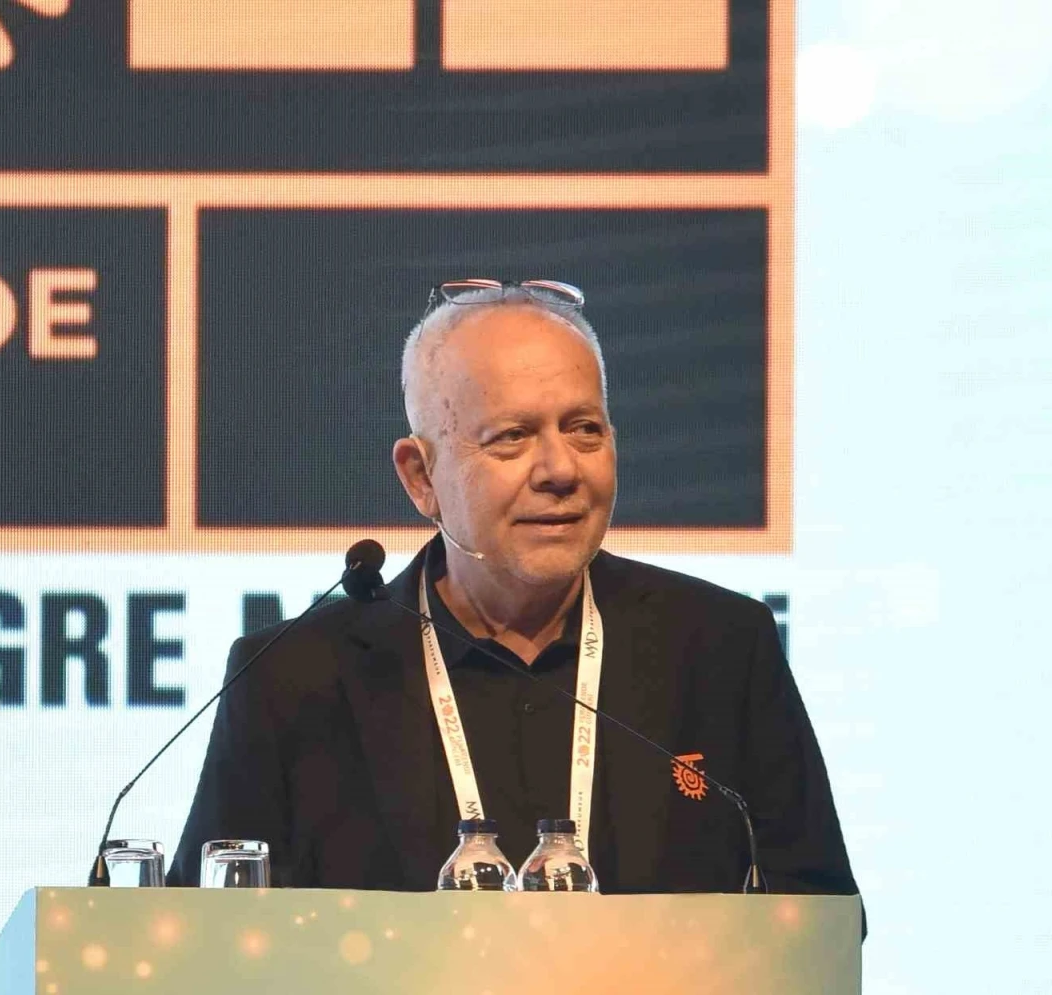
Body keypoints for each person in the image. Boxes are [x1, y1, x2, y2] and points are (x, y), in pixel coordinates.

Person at [168, 280, 860, 906]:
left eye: (584, 429)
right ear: (421, 478)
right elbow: (206, 943)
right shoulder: (294, 678)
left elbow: (819, 922)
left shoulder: (721, 647)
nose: (560, 469)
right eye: (512, 437)